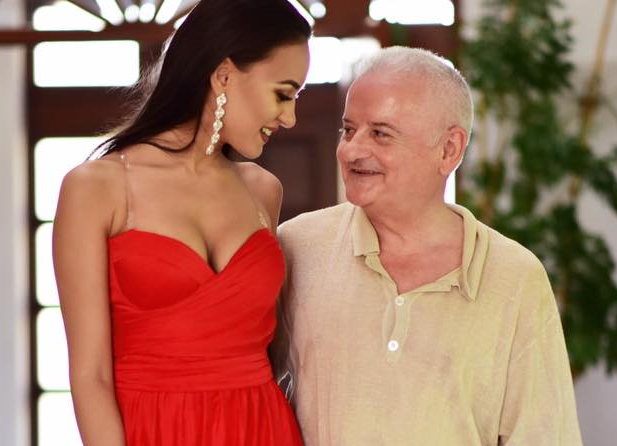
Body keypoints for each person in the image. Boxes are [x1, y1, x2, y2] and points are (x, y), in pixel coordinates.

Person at [275, 47, 583, 445]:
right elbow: (246, 392)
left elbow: (544, 436)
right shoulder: (298, 246)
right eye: (349, 130)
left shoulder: (514, 277)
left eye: (380, 133)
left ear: (449, 149)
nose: (351, 150)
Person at [52, 0, 311, 445]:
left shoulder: (262, 191)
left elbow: (276, 354)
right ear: (224, 75)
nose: (289, 117)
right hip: (153, 431)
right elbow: (91, 376)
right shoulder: (97, 188)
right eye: (283, 94)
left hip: (263, 429)